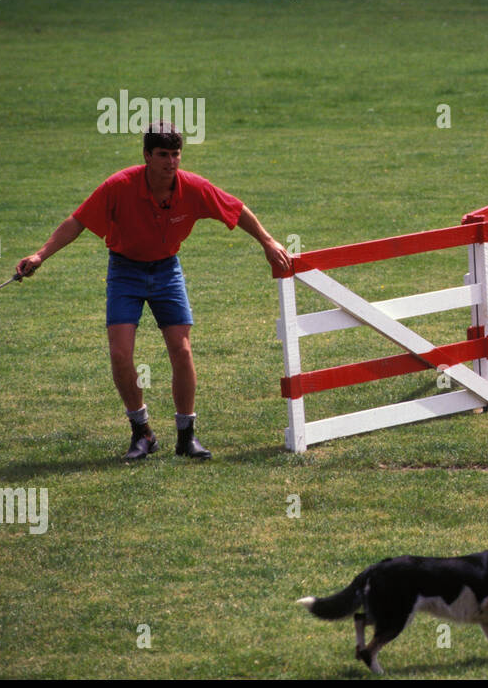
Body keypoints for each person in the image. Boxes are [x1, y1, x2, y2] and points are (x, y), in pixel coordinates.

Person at [17, 121, 291, 461]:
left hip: (167, 271)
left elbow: (235, 209)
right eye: (163, 155)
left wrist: (267, 241)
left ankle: (186, 436)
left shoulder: (193, 187)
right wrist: (40, 254)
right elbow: (78, 221)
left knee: (182, 350)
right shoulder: (119, 185)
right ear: (147, 156)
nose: (171, 162)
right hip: (125, 271)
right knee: (120, 354)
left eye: (176, 154)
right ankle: (141, 431)